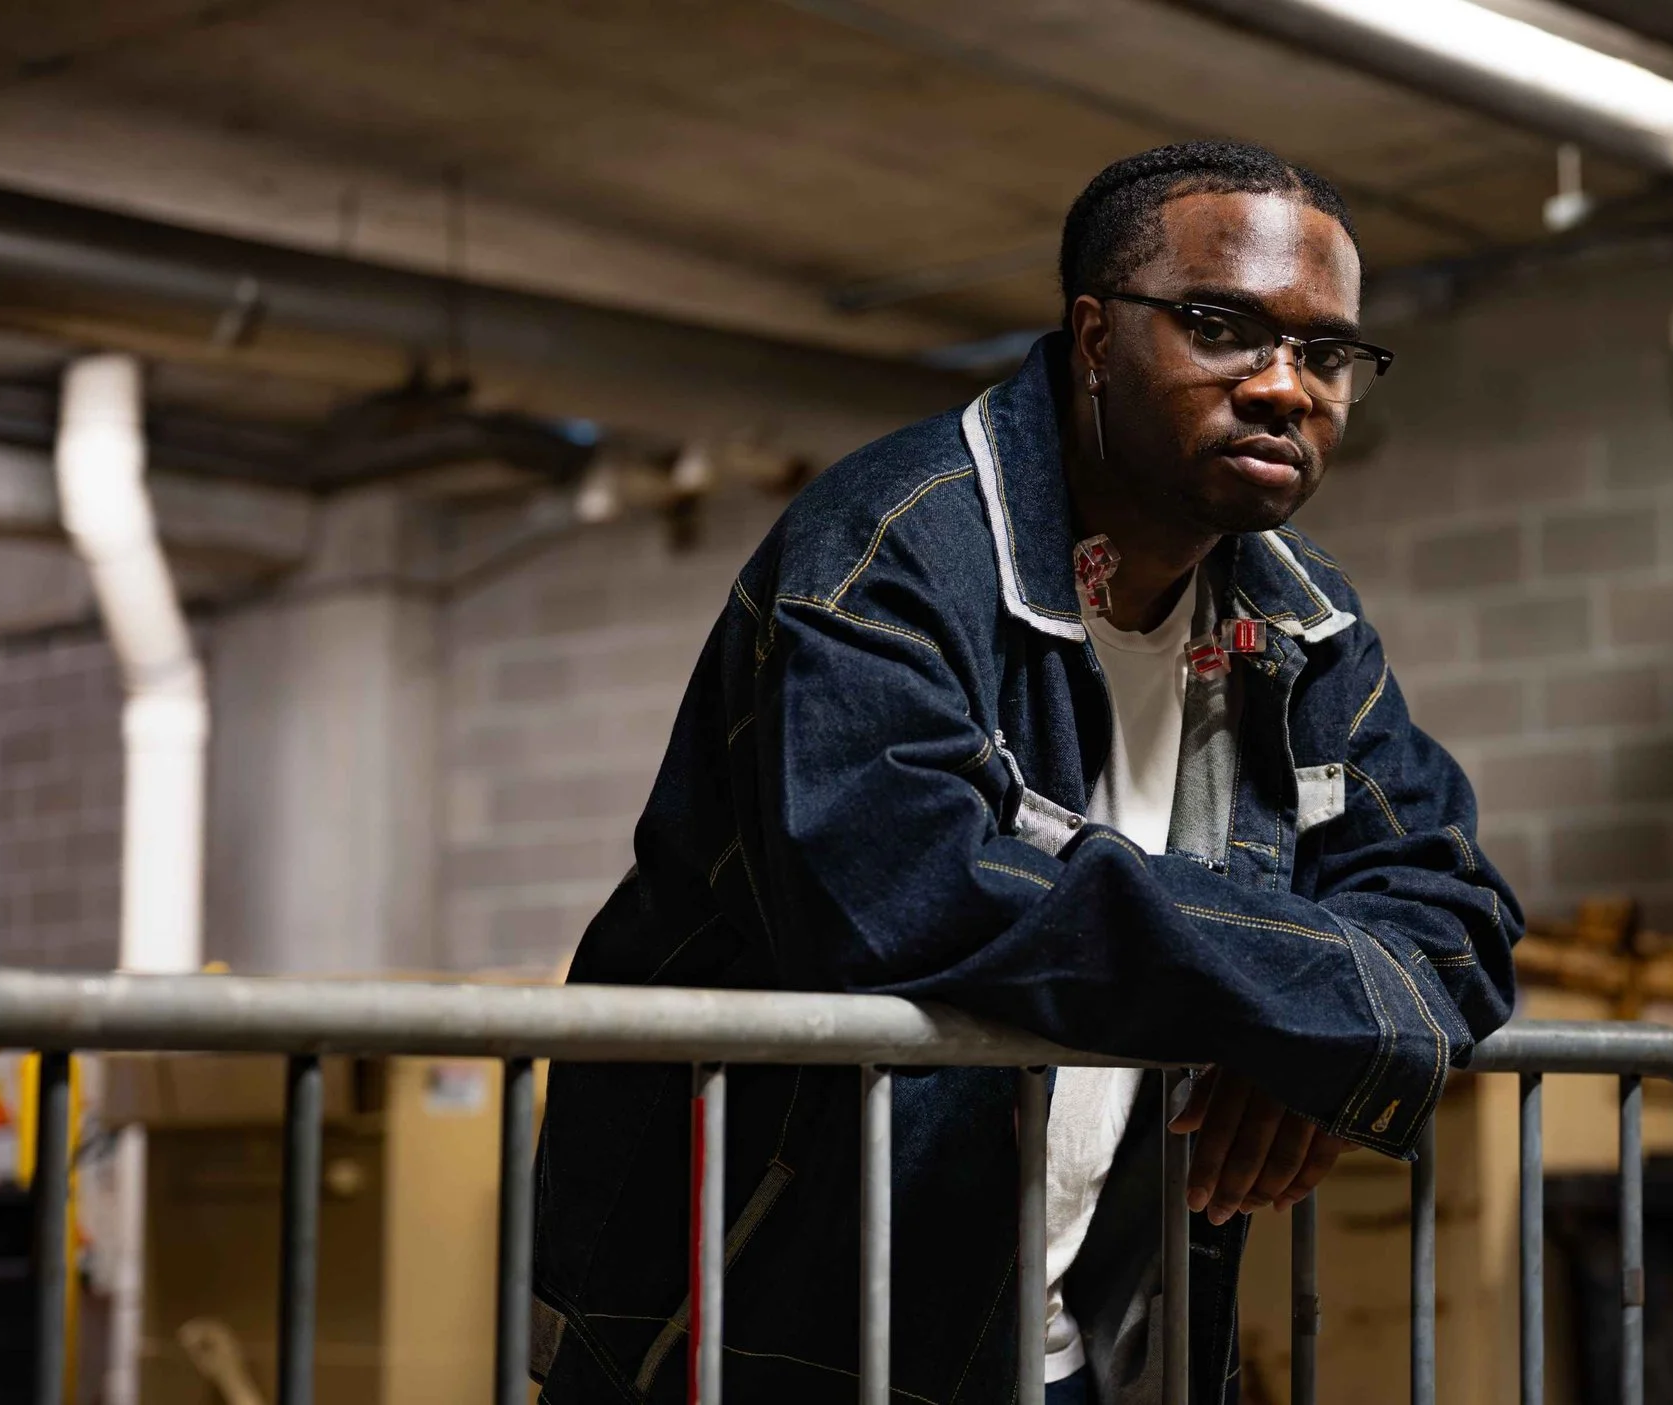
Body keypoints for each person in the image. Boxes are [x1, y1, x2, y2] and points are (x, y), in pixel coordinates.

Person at [528, 140, 1521, 1405]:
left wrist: (1310, 1041)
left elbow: (1456, 912)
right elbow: (910, 895)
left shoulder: (1301, 622)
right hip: (768, 1330)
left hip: (1092, 1346)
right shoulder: (891, 549)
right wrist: (1304, 1010)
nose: (1284, 386)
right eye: (1223, 328)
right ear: (1095, 334)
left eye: (1327, 353)